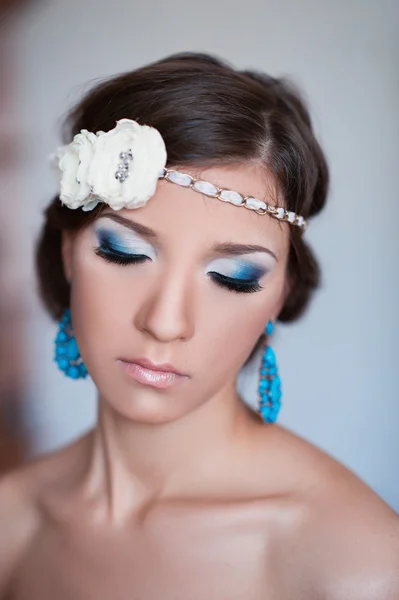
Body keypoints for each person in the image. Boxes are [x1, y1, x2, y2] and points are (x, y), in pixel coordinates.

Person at [0, 52, 398, 600]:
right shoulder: (12, 524)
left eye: (233, 277)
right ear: (68, 252)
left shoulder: (360, 565)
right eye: (122, 251)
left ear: (280, 295)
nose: (165, 322)